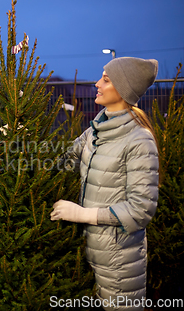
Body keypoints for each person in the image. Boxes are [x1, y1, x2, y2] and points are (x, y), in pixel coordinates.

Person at [50, 57, 159, 311]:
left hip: (119, 262)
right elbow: (65, 161)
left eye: (106, 80)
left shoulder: (139, 141)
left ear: (123, 89)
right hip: (89, 251)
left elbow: (141, 209)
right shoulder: (95, 129)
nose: (97, 84)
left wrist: (82, 214)